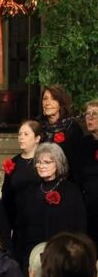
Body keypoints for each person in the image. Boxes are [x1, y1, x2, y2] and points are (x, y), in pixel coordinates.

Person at [14, 142, 87, 270]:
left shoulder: (71, 191)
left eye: (47, 162)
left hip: (63, 256)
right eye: (39, 162)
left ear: (58, 164)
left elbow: (79, 226)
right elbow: (21, 228)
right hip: (32, 255)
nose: (41, 166)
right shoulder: (30, 191)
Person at [1, 120, 42, 240]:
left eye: (26, 134)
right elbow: (7, 195)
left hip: (40, 220)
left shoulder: (45, 161)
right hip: (19, 222)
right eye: (19, 134)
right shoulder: (13, 162)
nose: (21, 138)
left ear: (37, 138)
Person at [37, 84, 81, 167]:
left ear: (61, 103)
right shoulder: (39, 127)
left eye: (53, 99)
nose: (47, 103)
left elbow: (78, 159)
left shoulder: (71, 126)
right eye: (45, 99)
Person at [75, 99, 98, 246]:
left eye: (94, 114)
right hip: (88, 206)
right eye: (87, 114)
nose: (89, 117)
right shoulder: (83, 144)